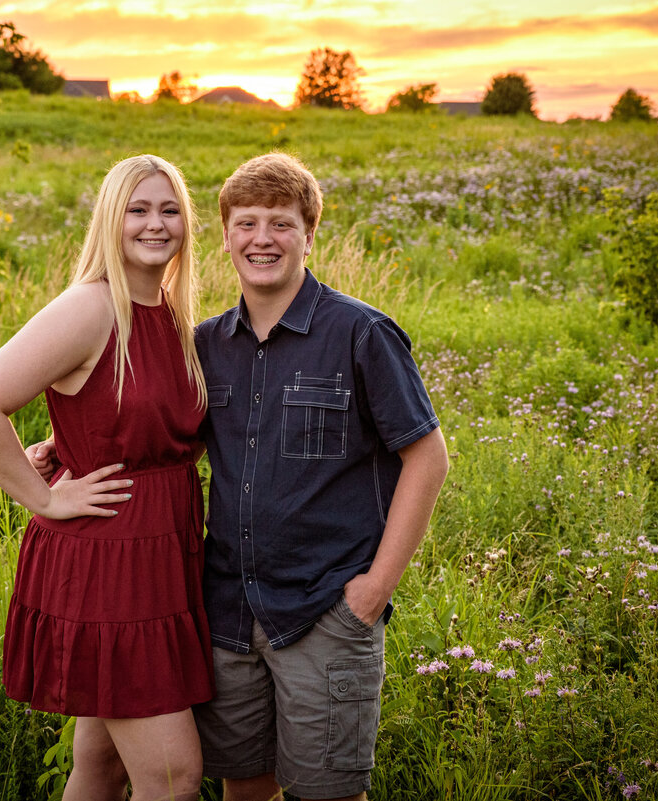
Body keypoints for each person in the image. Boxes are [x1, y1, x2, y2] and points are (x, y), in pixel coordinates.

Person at [0, 154, 213, 801]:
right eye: (139, 209)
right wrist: (41, 493)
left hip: (162, 557)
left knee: (100, 765)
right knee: (173, 776)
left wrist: (68, 440)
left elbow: (122, 415)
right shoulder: (91, 308)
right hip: (106, 564)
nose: (157, 223)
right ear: (110, 219)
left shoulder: (172, 313)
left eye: (170, 208)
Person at [192, 153, 449, 801]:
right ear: (224, 235)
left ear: (310, 235)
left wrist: (371, 591)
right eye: (246, 223)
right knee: (245, 785)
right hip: (227, 611)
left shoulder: (361, 333)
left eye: (281, 223)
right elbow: (156, 432)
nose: (262, 239)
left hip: (325, 612)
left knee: (329, 793)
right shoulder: (204, 345)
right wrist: (61, 443)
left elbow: (428, 457)